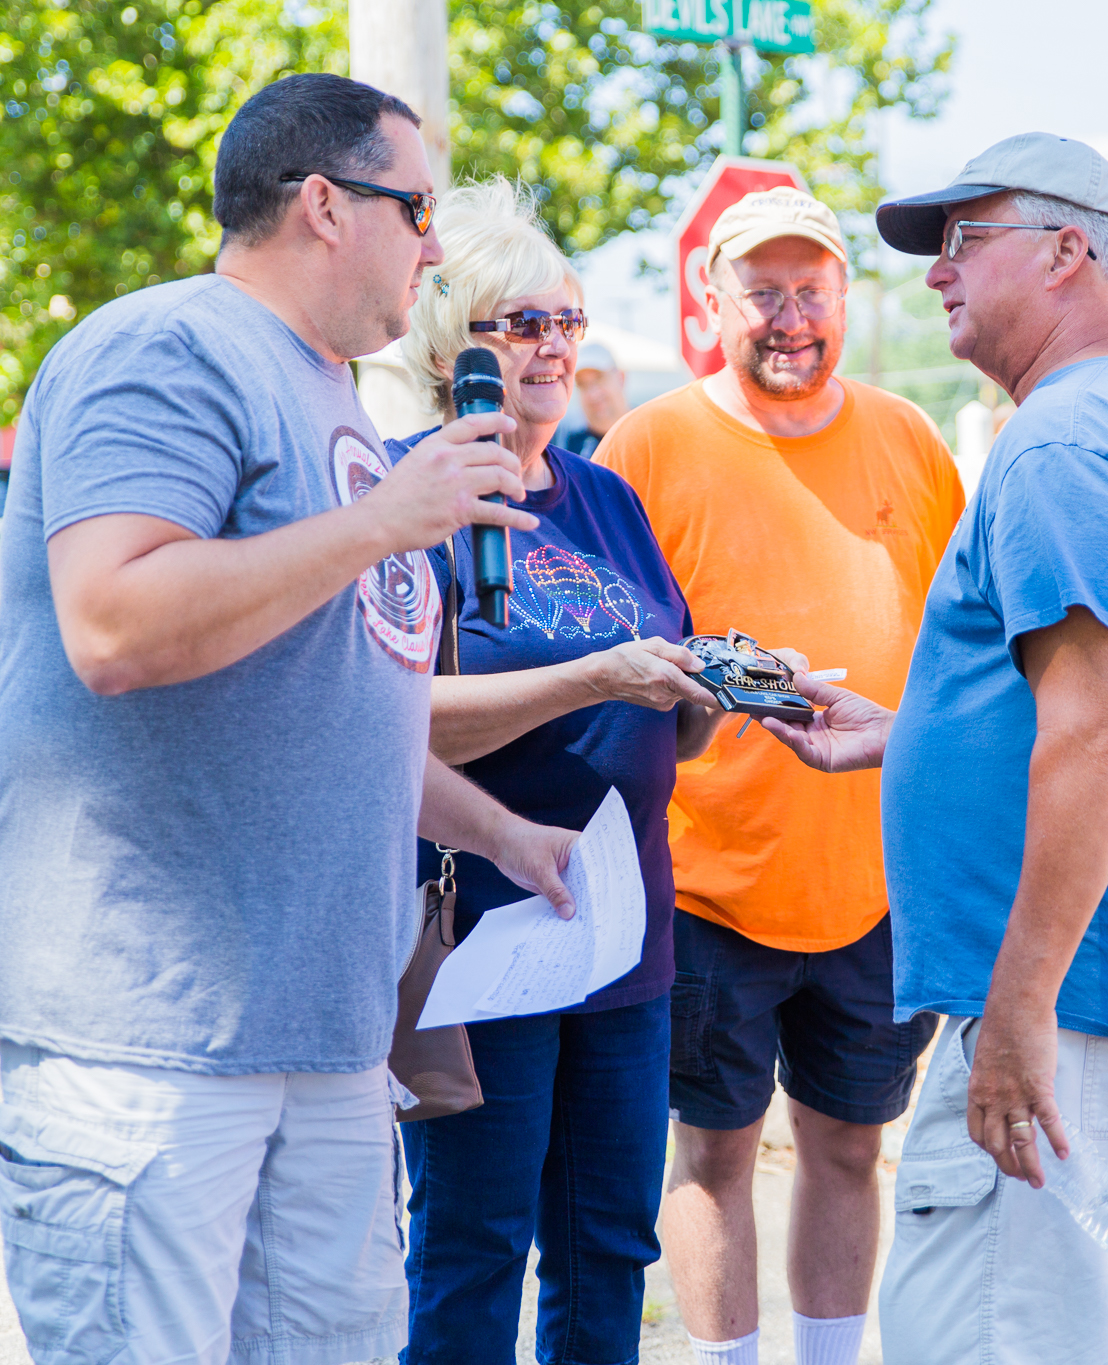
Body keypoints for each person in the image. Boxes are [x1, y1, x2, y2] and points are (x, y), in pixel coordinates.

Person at [0, 74, 579, 1365]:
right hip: (156, 1040)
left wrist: (507, 836)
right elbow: (115, 623)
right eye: (416, 209)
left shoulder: (342, 405)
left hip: (328, 1043)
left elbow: (346, 704)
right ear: (322, 203)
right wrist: (381, 524)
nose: (432, 242)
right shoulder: (168, 346)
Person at [766, 131, 1108, 1361]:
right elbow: (1101, 712)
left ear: (1065, 253)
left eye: (960, 240)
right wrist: (920, 736)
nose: (935, 272)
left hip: (1077, 1023)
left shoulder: (1061, 443)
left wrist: (1018, 1010)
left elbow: (1099, 732)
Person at [597, 187, 962, 1365]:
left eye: (812, 293)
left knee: (850, 1146)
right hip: (706, 883)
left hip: (873, 879)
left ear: (846, 297)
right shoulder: (648, 446)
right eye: (763, 294)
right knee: (711, 1153)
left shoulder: (907, 435)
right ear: (713, 301)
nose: (790, 320)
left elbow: (960, 638)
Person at [386, 179, 726, 1365]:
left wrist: (713, 695)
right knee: (474, 1247)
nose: (550, 347)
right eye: (517, 323)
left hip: (620, 938)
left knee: (607, 1250)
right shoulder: (407, 494)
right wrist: (593, 683)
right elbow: (389, 726)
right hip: (485, 938)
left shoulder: (605, 499)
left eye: (566, 322)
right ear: (450, 342)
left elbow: (661, 700)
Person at [557, 341, 630, 458]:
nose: (593, 394)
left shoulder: (645, 432)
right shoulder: (567, 443)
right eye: (582, 384)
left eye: (599, 379)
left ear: (621, 378)